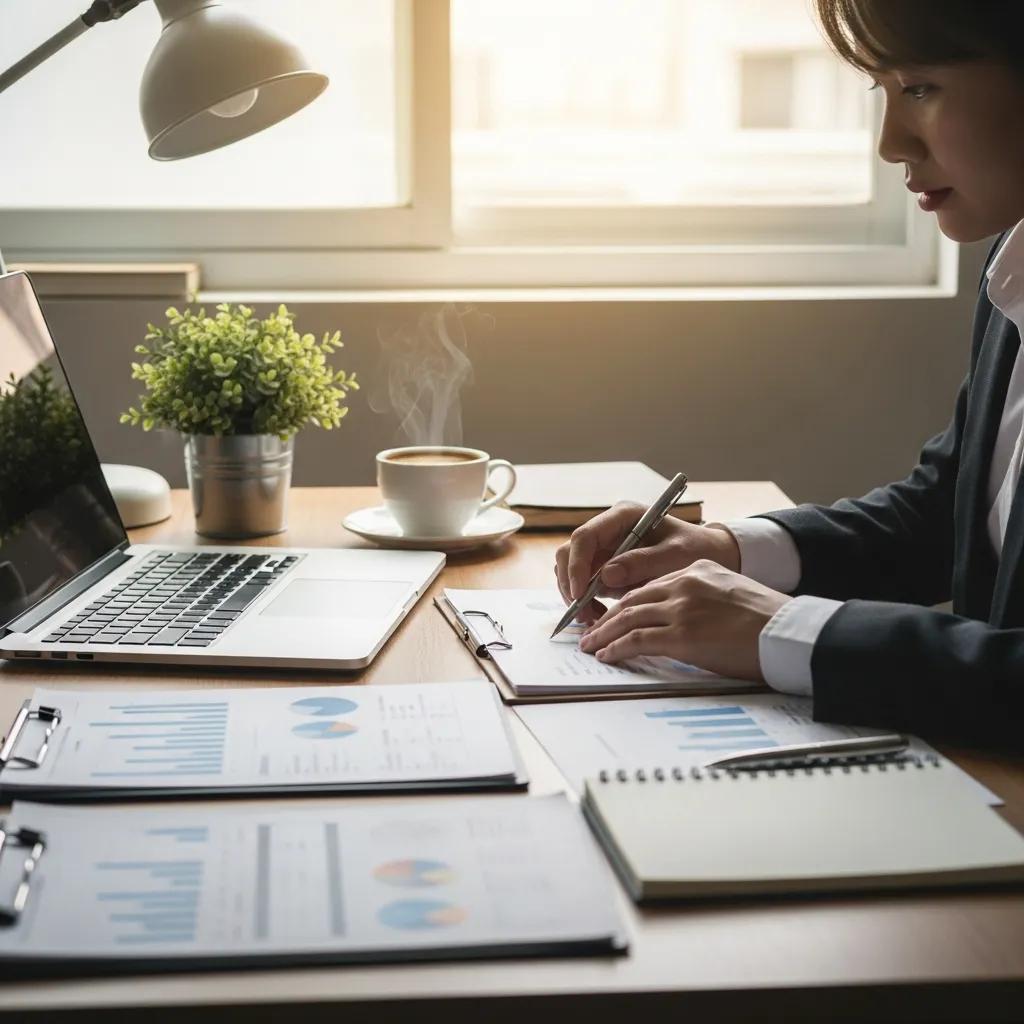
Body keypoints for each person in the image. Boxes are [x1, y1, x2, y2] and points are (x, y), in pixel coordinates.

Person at [554, 0, 1024, 749]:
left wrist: (786, 629)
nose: (890, 144)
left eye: (921, 89)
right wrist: (728, 551)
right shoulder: (1014, 273)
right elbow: (944, 514)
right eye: (884, 92)